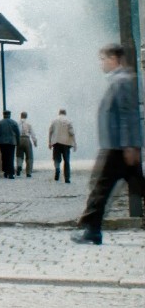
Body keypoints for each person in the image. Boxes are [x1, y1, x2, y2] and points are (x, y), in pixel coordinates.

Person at [72, 44, 144, 245]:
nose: (101, 63)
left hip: (118, 149)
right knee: (133, 185)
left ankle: (92, 230)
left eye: (103, 59)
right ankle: (92, 230)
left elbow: (128, 114)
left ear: (114, 59)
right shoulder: (119, 80)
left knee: (100, 188)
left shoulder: (123, 81)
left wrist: (129, 145)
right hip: (116, 147)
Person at [48, 109, 77, 183]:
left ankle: (57, 169)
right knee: (66, 161)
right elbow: (71, 133)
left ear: (59, 113)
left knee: (56, 158)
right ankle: (67, 178)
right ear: (65, 113)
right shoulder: (68, 121)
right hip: (66, 143)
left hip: (56, 142)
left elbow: (50, 131)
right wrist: (75, 143)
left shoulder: (54, 121)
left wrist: (49, 142)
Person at [0, 110, 20, 179]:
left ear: (3, 115)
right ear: (10, 115)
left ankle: (5, 172)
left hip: (2, 142)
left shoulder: (0, 122)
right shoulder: (14, 122)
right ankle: (11, 173)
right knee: (10, 157)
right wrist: (18, 142)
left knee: (4, 157)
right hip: (11, 142)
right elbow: (17, 133)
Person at [16, 111, 38, 177]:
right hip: (27, 139)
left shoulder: (17, 123)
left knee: (19, 155)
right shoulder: (29, 123)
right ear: (26, 116)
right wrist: (35, 142)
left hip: (19, 139)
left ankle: (19, 166)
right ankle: (28, 172)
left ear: (21, 116)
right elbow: (32, 134)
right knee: (29, 156)